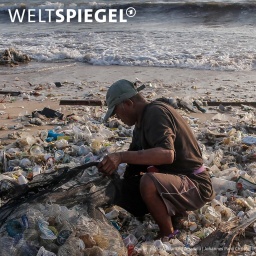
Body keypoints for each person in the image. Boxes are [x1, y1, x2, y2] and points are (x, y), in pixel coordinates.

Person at [98, 79, 215, 240]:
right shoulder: (140, 124)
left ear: (128, 103)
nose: (117, 117)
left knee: (148, 182)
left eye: (116, 112)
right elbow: (133, 163)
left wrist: (121, 156)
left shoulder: (155, 112)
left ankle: (168, 233)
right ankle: (175, 214)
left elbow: (167, 154)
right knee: (130, 186)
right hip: (177, 182)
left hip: (196, 184)